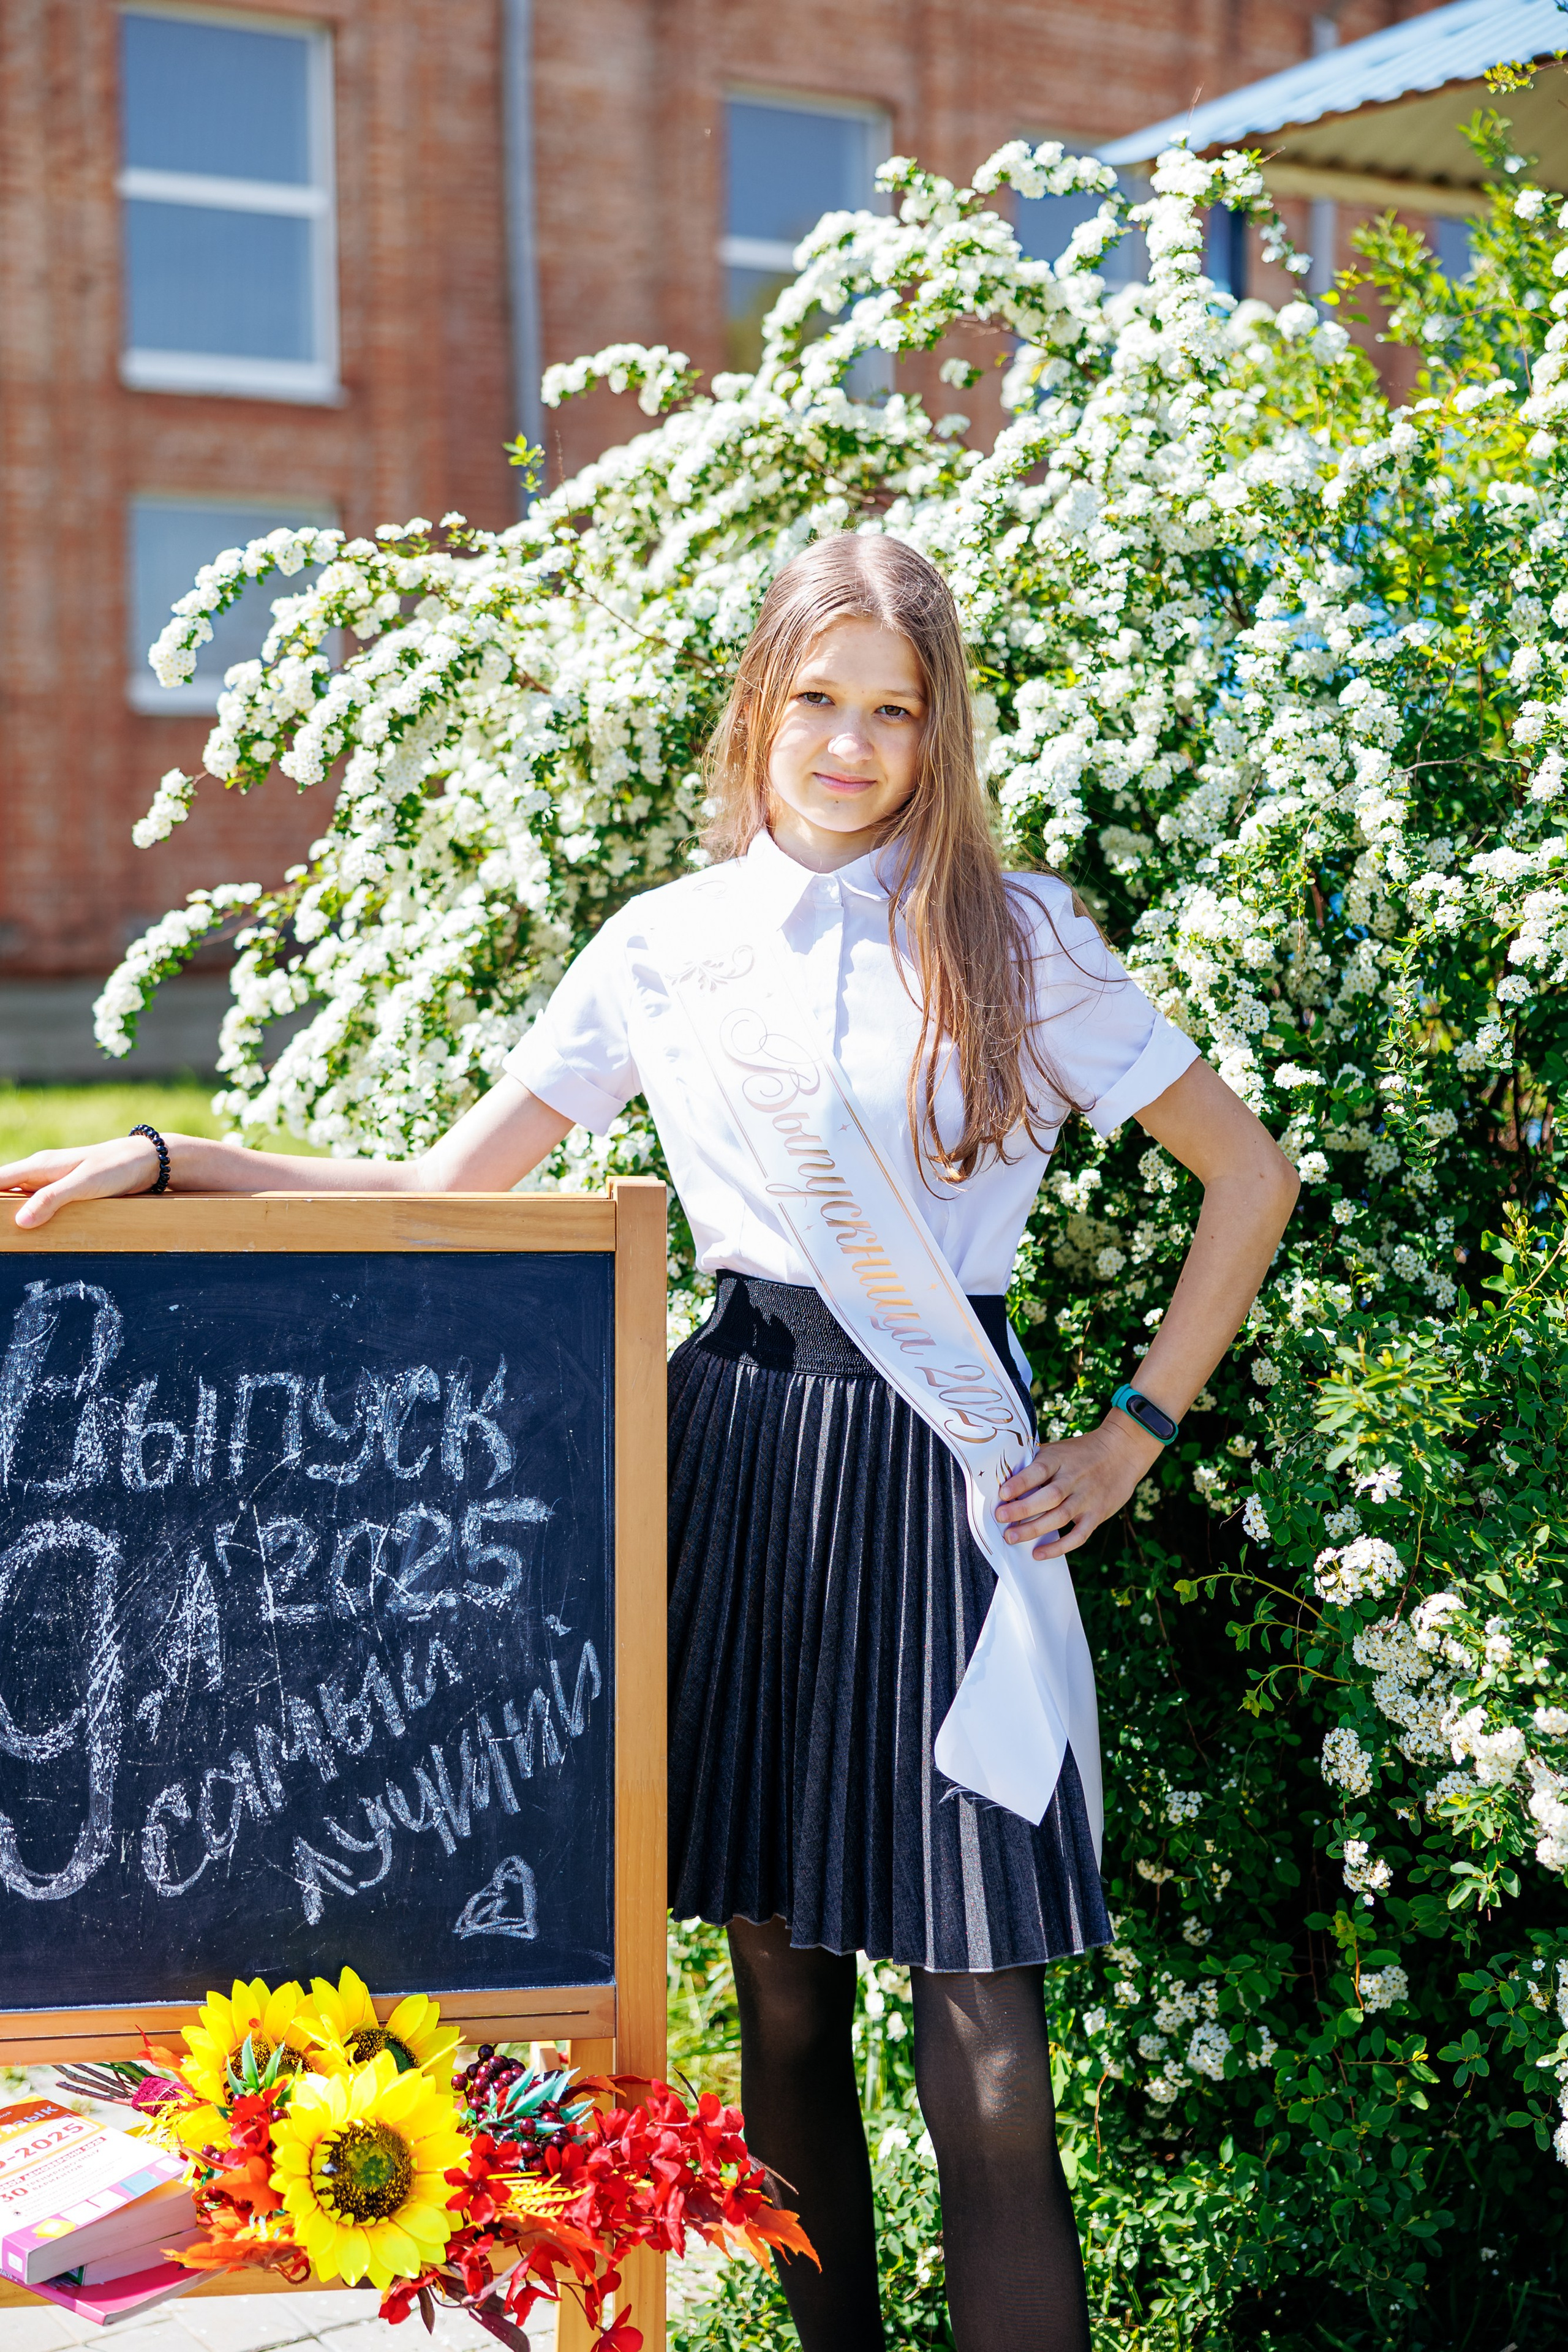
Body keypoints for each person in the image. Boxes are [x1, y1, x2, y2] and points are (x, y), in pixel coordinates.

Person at [1, 535, 1298, 2351]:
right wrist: (168, 1160)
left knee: (987, 2039)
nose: (850, 746)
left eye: (894, 712)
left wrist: (1135, 1433)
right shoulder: (667, 949)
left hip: (947, 1479)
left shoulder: (1019, 935)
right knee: (779, 1997)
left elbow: (1250, 1175)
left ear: (938, 738)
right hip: (739, 1469)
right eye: (822, 702)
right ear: (761, 706)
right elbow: (451, 1195)